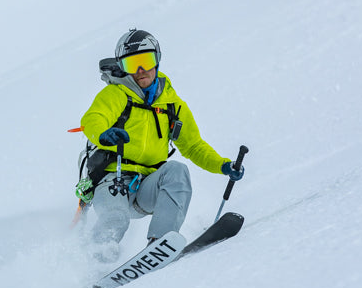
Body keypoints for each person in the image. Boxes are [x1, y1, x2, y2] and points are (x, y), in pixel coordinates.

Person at [79, 28, 244, 261]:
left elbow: (193, 145)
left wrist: (223, 165)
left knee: (177, 171)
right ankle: (92, 264)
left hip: (147, 184)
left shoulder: (171, 105)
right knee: (116, 218)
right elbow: (93, 119)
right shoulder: (116, 94)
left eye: (146, 61)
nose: (140, 70)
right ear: (122, 67)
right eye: (132, 64)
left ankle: (159, 245)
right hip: (112, 180)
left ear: (157, 60)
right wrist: (104, 134)